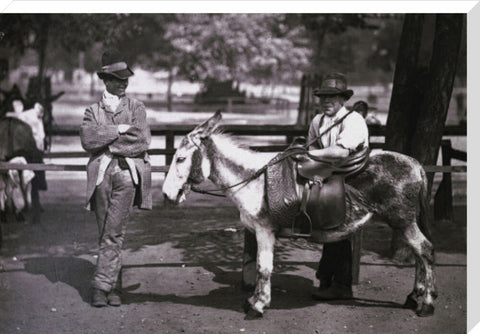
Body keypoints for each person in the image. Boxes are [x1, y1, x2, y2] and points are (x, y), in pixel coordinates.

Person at [80, 50, 152, 307]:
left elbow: (141, 141)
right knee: (106, 233)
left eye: (126, 80)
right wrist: (119, 130)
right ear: (106, 80)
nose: (124, 84)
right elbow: (88, 140)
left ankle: (100, 287)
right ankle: (115, 289)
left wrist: (108, 144)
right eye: (118, 79)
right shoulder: (92, 110)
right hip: (100, 177)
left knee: (113, 232)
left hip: (126, 175)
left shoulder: (136, 108)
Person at [308, 73, 369, 300]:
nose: (327, 101)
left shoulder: (353, 120)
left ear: (343, 99)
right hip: (329, 174)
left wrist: (309, 154)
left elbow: (341, 152)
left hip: (354, 176)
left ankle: (341, 284)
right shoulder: (318, 121)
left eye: (332, 96)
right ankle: (327, 277)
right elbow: (311, 145)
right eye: (323, 97)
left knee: (337, 221)